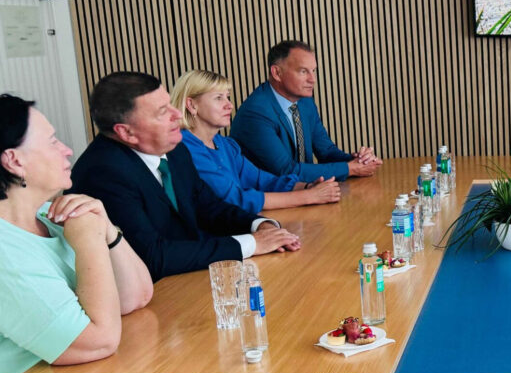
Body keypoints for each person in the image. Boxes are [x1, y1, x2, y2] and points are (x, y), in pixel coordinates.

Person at [70, 72, 302, 281]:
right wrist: (252, 244)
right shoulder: (103, 174)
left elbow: (208, 206)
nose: (177, 115)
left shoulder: (175, 148)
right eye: (163, 112)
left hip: (188, 278)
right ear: (126, 132)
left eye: (170, 104)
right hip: (151, 296)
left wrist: (259, 225)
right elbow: (154, 256)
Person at [0, 94, 152, 373]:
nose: (67, 150)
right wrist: (89, 241)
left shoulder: (48, 216)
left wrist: (106, 228)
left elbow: (136, 296)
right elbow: (99, 342)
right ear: (14, 161)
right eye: (52, 142)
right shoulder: (6, 254)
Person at [172, 69, 342, 215]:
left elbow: (261, 180)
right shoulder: (184, 149)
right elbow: (233, 200)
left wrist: (306, 187)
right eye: (218, 98)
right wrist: (308, 197)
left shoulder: (225, 145)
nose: (229, 105)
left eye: (227, 97)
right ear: (191, 105)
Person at [231, 40, 381, 180]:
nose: (312, 79)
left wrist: (358, 160)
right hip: (268, 196)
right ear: (277, 73)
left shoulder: (304, 102)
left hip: (307, 191)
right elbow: (286, 171)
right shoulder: (256, 113)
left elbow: (326, 151)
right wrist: (350, 169)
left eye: (313, 70)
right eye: (303, 71)